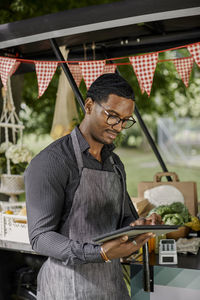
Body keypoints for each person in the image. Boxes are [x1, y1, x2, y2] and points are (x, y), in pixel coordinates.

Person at [25, 73, 162, 300]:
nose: (118, 127)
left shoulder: (115, 164)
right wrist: (98, 253)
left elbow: (125, 219)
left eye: (125, 120)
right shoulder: (52, 162)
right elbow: (40, 237)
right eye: (112, 116)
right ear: (89, 105)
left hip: (111, 287)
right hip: (66, 289)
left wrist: (139, 227)